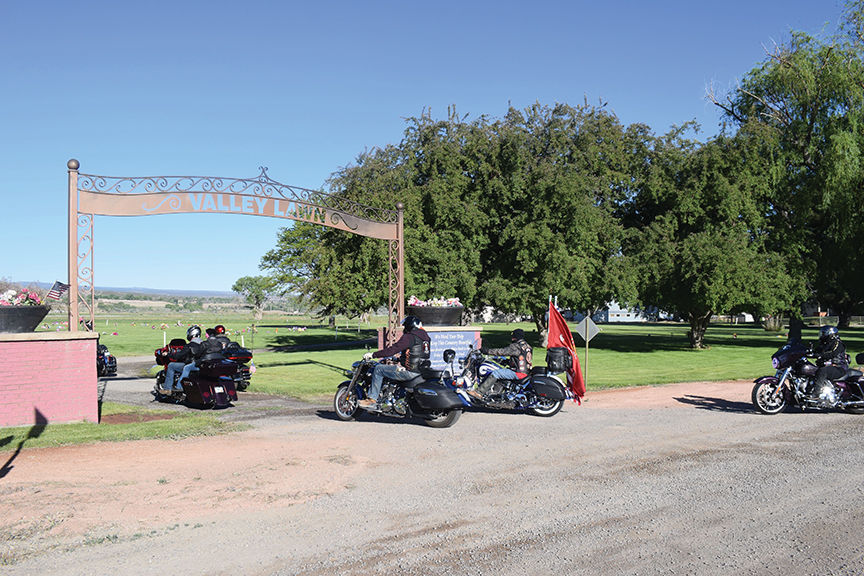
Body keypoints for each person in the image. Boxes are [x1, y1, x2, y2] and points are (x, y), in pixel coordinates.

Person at [356, 315, 431, 410]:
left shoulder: (410, 337)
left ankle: (372, 400)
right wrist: (399, 360)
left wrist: (373, 355)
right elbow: (416, 354)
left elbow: (392, 350)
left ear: (409, 326)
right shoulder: (425, 338)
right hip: (421, 371)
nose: (404, 328)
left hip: (410, 372)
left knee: (379, 369)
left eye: (405, 326)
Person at [469, 328, 533, 399]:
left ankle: (479, 392)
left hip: (518, 373)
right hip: (526, 372)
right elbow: (521, 359)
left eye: (513, 336)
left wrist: (486, 351)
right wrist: (506, 362)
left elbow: (501, 351)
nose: (512, 337)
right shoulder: (527, 346)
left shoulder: (516, 346)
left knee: (496, 373)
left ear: (515, 336)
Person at [159, 325, 204, 393]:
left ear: (191, 334)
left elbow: (178, 356)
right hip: (200, 366)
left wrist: (168, 354)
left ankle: (167, 389)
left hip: (190, 365)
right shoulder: (204, 344)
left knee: (171, 366)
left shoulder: (189, 345)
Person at [808, 325, 848, 399]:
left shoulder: (837, 343)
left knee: (823, 371)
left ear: (830, 334)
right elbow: (816, 351)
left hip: (838, 367)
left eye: (823, 334)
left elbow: (832, 353)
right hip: (828, 366)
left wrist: (820, 355)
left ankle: (817, 393)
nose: (822, 335)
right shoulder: (824, 344)